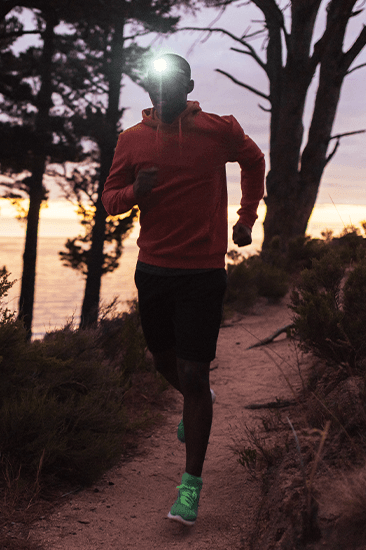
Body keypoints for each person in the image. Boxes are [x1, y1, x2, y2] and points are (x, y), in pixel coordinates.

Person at [101, 53, 265, 526]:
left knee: (194, 375)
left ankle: (189, 488)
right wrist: (137, 193)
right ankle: (201, 402)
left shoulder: (219, 130)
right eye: (155, 84)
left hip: (202, 271)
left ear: (189, 85)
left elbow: (254, 163)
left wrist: (247, 217)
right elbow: (110, 201)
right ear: (149, 89)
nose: (162, 92)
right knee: (162, 362)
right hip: (153, 270)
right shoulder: (131, 141)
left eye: (172, 84)